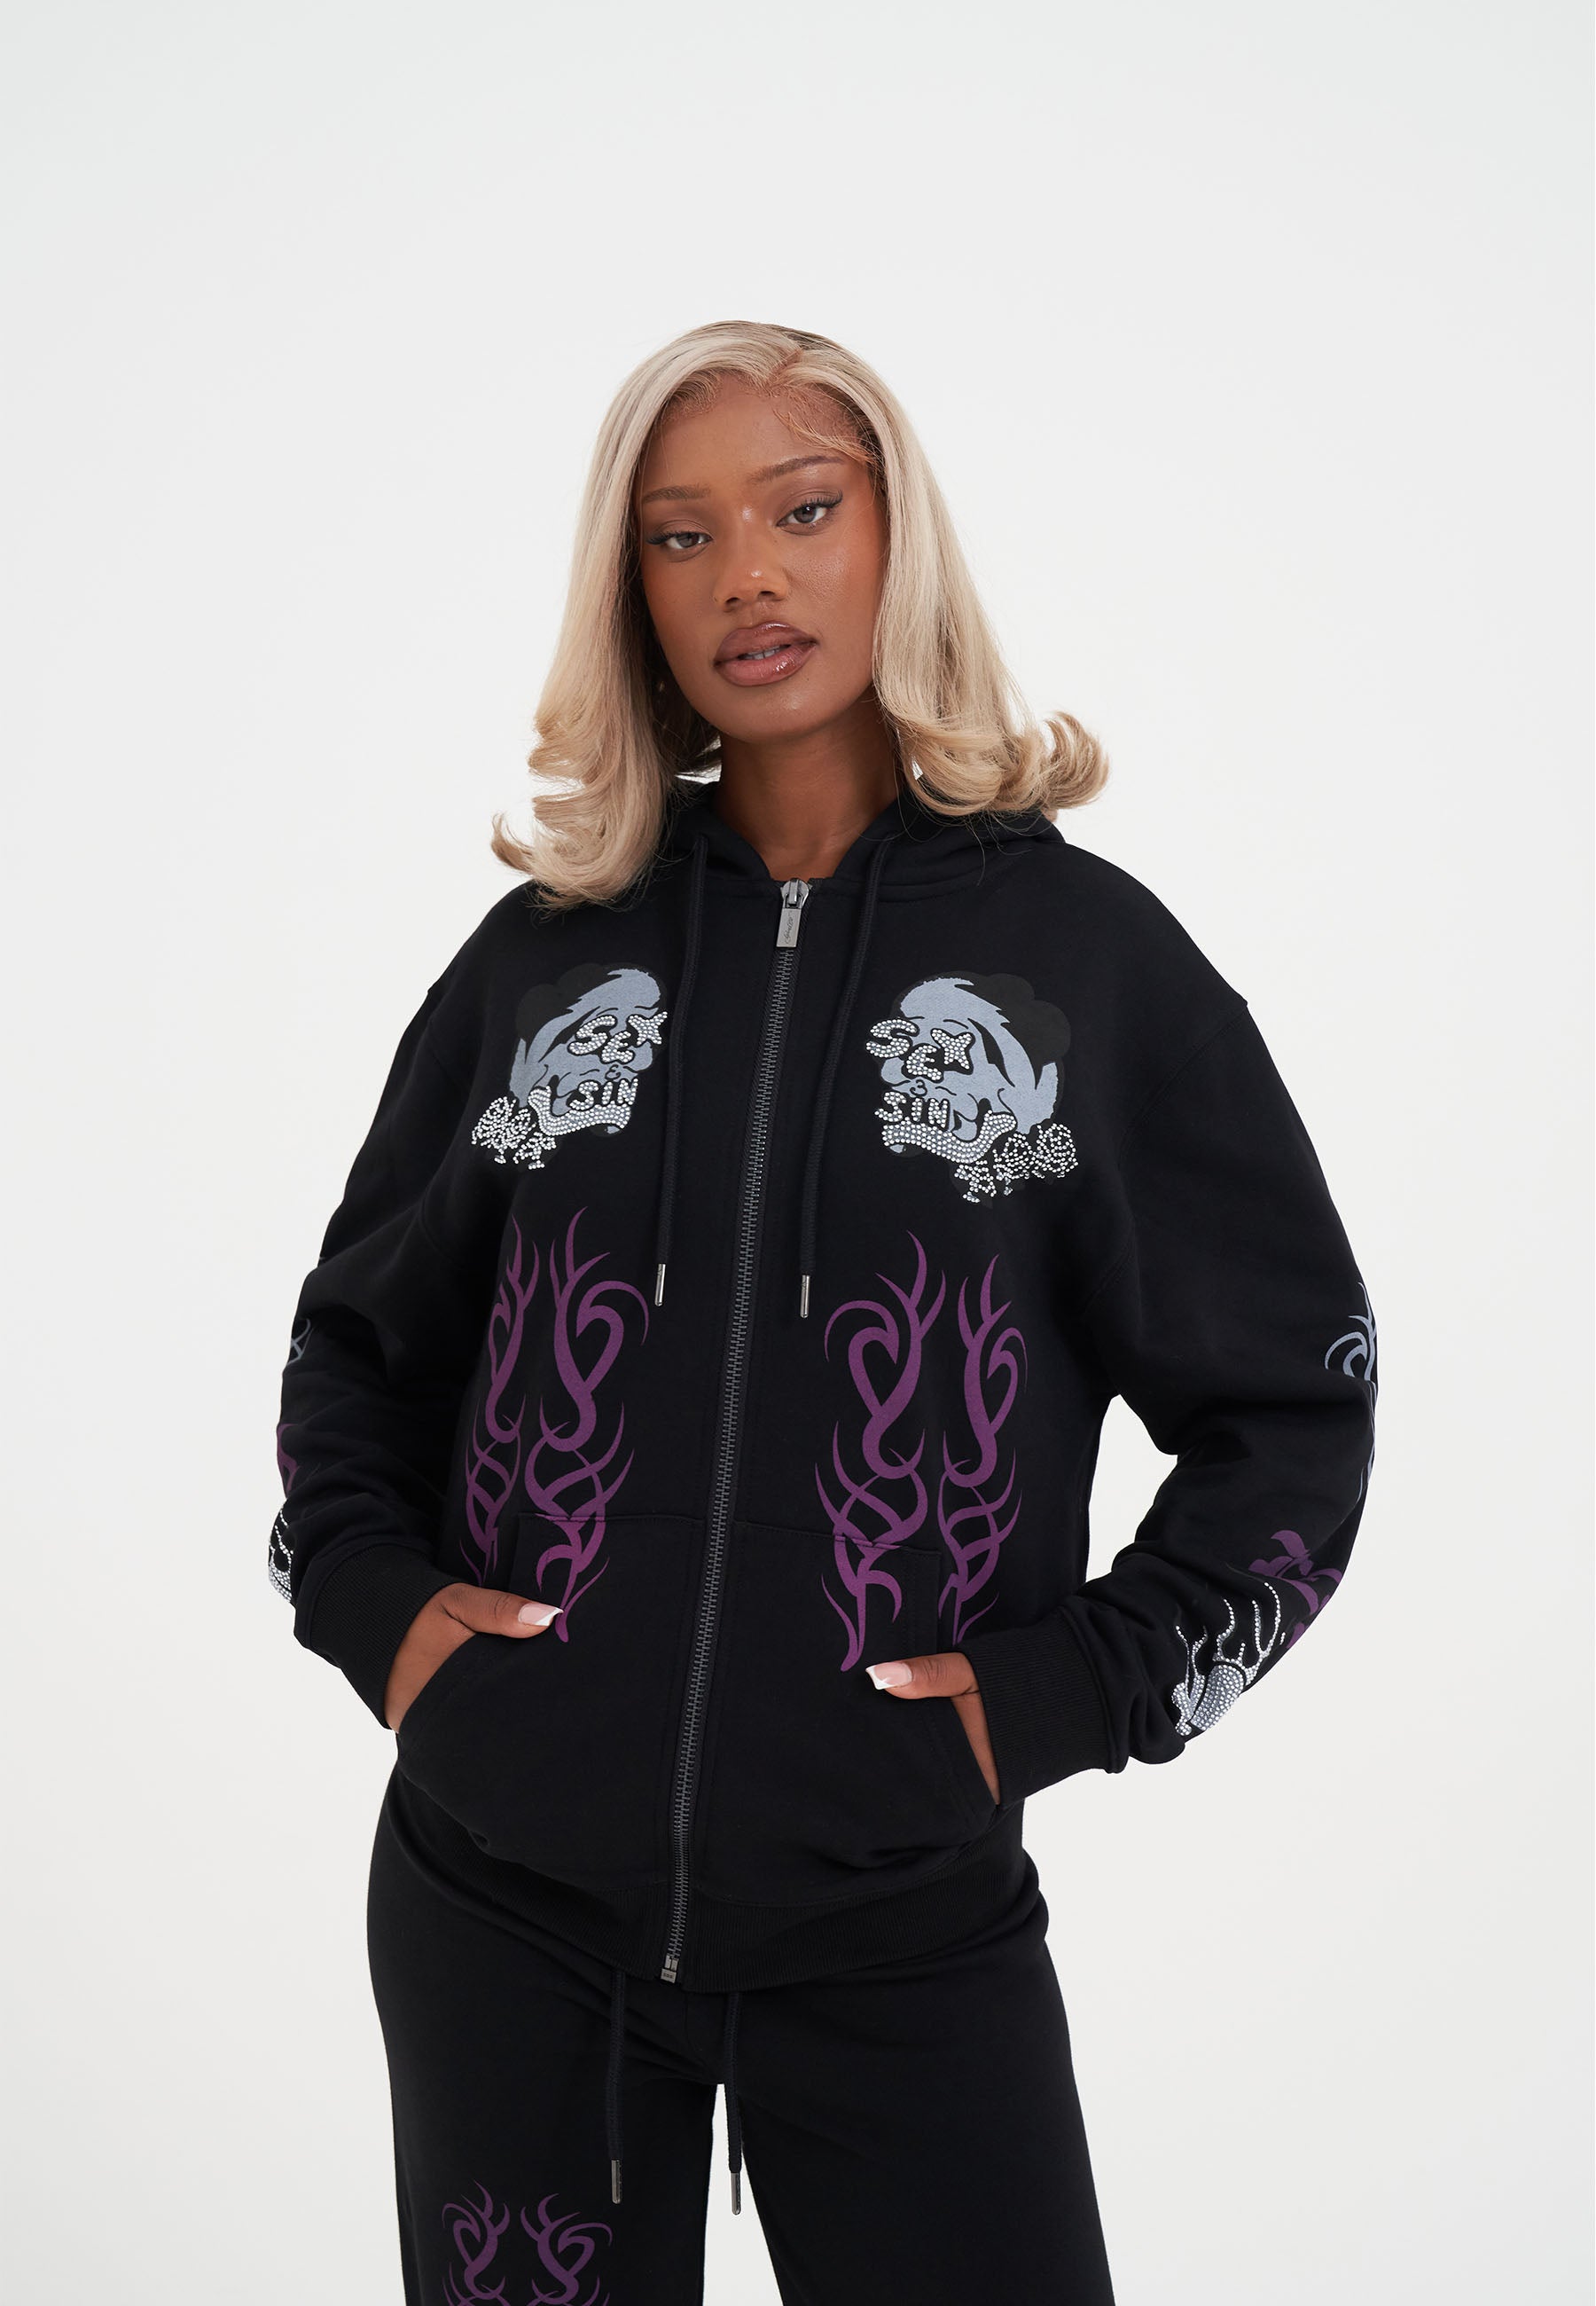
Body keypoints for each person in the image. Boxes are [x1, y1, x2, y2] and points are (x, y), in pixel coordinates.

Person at [270, 319, 1379, 2303]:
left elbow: (1295, 1413)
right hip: (504, 1914)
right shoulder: (547, 963)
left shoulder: (1090, 971)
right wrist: (384, 1620)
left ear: (898, 541)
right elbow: (360, 1348)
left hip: (902, 1928)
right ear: (632, 589)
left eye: (802, 511)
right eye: (681, 535)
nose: (747, 579)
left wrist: (1074, 1693)